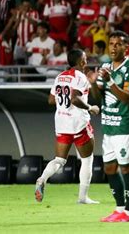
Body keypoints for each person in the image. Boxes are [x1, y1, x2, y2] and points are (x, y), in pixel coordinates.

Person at [35, 49, 100, 204]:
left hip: (61, 123)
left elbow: (51, 100)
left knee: (59, 159)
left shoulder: (60, 76)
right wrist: (91, 108)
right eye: (85, 58)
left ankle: (42, 179)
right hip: (78, 123)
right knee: (87, 159)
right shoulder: (80, 77)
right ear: (81, 61)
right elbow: (75, 99)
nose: (86, 60)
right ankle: (83, 197)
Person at [89, 31, 129, 223]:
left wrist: (110, 81)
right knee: (110, 168)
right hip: (108, 127)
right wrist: (93, 83)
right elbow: (97, 96)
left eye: (118, 44)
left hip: (126, 126)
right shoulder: (105, 67)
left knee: (127, 168)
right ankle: (119, 208)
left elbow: (127, 98)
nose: (113, 47)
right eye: (111, 44)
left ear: (126, 47)